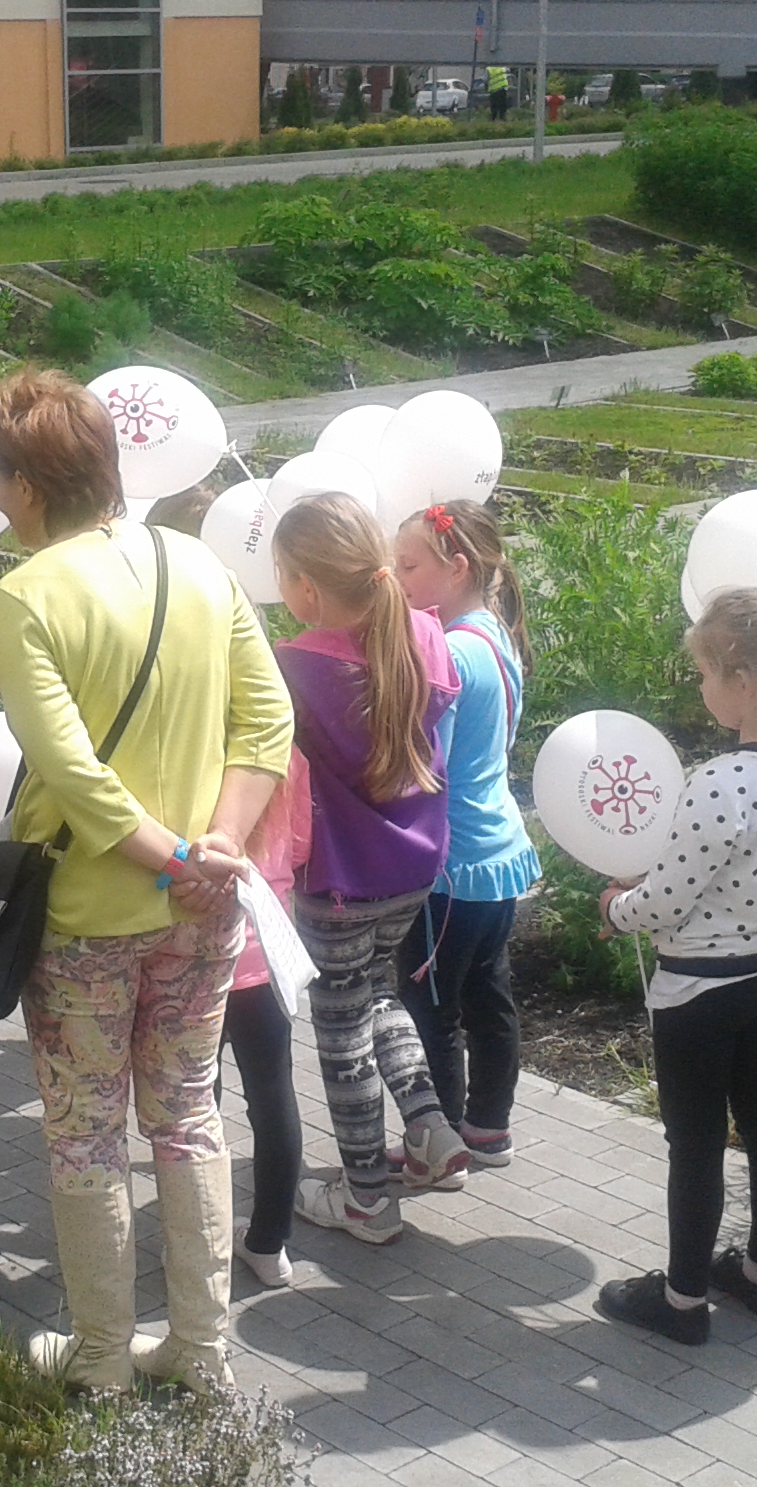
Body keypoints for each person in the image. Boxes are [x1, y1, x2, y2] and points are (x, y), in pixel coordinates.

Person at [0, 369, 292, 1395]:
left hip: (86, 916)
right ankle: (202, 1350)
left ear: (28, 486)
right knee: (189, 1116)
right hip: (205, 907)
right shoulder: (197, 563)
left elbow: (71, 773)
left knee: (84, 1134)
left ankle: (103, 1358)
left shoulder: (25, 595)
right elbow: (268, 719)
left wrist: (172, 856)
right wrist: (217, 848)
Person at [597, 588, 757, 1346]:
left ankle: (683, 1300)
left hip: (701, 990)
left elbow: (666, 901)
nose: (698, 687)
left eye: (703, 674)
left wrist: (616, 907)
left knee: (694, 1144)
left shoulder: (721, 782)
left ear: (743, 682)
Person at [274, 493, 464, 1247]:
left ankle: (365, 1199)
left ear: (306, 587)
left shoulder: (295, 665)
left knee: (341, 1029)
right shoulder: (426, 634)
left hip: (339, 880)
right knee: (380, 992)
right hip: (413, 865)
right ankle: (430, 1128)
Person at [390, 500, 540, 1175]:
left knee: (430, 1010)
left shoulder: (449, 651)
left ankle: (439, 1141)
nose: (397, 579)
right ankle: (488, 1127)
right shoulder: (495, 634)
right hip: (499, 854)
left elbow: (428, 766)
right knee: (488, 998)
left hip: (451, 867)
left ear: (455, 568)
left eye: (408, 566)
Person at [222, 747, 314, 1288]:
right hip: (269, 951)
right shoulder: (286, 753)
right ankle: (269, 1245)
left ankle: (198, 1240)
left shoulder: (191, 744)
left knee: (195, 1107)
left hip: (197, 956)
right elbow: (299, 846)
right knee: (274, 1096)